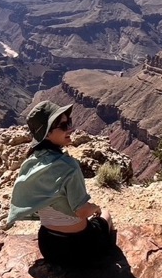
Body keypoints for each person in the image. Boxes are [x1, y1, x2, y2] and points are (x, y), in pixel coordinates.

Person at [6, 100, 116, 267]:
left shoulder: (30, 163)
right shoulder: (68, 166)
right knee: (106, 216)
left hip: (48, 246)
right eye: (63, 126)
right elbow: (82, 211)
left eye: (68, 123)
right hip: (80, 248)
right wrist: (96, 208)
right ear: (47, 134)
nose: (70, 129)